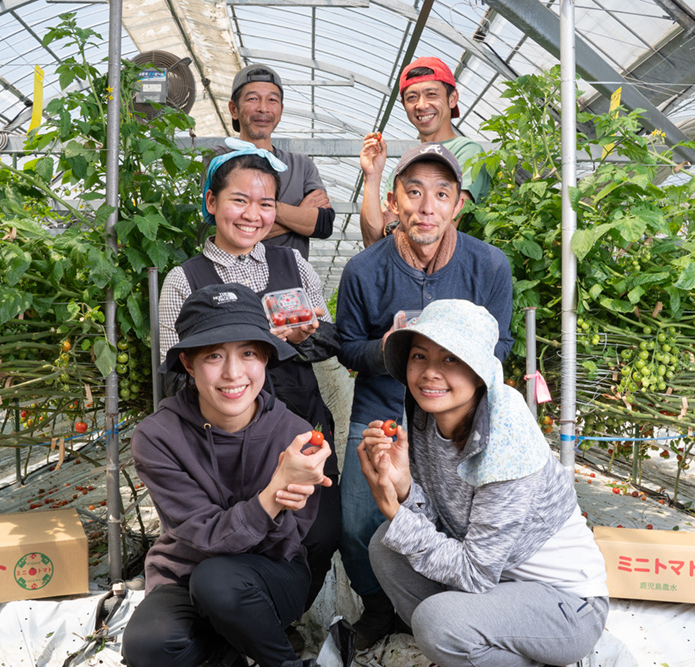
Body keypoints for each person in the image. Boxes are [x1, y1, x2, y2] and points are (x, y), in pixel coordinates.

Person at [358, 299, 609, 666]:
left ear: (479, 371)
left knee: (437, 621)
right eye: (419, 357)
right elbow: (443, 522)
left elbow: (474, 573)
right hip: (497, 585)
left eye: (450, 359)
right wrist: (406, 488)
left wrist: (395, 510)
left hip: (566, 606)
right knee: (386, 547)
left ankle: (469, 646)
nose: (429, 373)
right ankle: (467, 651)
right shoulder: (426, 417)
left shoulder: (507, 444)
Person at [335, 142, 513, 648]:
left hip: (458, 418)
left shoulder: (488, 266)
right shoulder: (364, 271)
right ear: (393, 201)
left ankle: (443, 606)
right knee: (357, 523)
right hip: (382, 411)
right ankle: (376, 607)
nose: (425, 206)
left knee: (460, 520)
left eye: (441, 193)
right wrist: (387, 349)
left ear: (458, 204)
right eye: (413, 192)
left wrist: (448, 354)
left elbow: (500, 344)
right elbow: (348, 346)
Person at [158, 143, 341, 612]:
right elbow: (173, 370)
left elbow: (327, 339)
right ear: (212, 202)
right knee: (242, 532)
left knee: (320, 534)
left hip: (299, 421)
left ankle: (282, 616)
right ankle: (241, 621)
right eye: (239, 200)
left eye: (265, 204)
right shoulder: (185, 279)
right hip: (224, 442)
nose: (252, 215)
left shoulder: (291, 265)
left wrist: (305, 335)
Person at [122, 282, 332, 667]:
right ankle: (233, 648)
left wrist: (292, 490)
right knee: (148, 648)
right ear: (188, 363)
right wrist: (273, 495)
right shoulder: (158, 436)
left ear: (266, 358)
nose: (233, 373)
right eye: (214, 356)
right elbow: (200, 535)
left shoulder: (294, 433)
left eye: (248, 353)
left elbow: (289, 540)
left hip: (270, 575)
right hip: (186, 571)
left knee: (219, 582)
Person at [359, 56, 492, 247]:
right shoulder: (408, 162)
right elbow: (372, 242)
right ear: (404, 105)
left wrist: (391, 225)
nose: (421, 105)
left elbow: (439, 233)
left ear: (452, 98)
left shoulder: (468, 152)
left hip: (453, 273)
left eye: (431, 94)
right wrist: (371, 176)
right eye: (412, 97)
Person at [226, 63, 335, 259]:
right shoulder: (221, 160)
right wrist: (299, 214)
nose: (263, 108)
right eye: (252, 98)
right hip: (234, 282)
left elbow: (323, 225)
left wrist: (251, 219)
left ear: (281, 110)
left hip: (291, 283)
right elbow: (223, 228)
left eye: (272, 100)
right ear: (234, 109)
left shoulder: (301, 165)